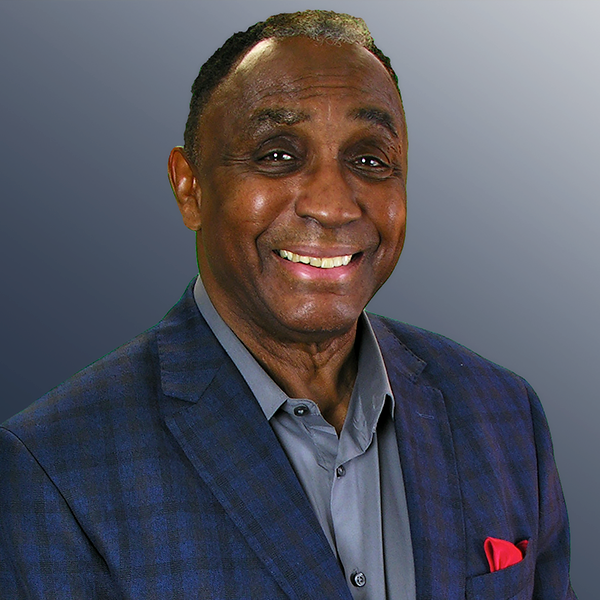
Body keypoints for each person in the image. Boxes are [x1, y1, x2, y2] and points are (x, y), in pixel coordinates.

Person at [0, 10, 576, 599]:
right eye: (277, 154)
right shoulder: (54, 467)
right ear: (189, 187)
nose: (332, 205)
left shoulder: (504, 414)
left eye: (370, 160)